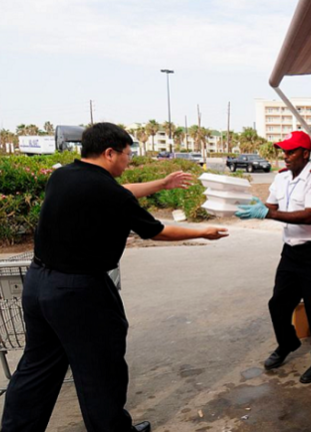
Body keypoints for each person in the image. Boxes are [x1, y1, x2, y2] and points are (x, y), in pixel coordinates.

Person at [1, 123, 229, 432]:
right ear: (110, 153)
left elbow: (114, 192)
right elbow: (156, 231)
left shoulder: (63, 176)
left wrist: (161, 184)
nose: (129, 160)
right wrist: (204, 231)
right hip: (78, 292)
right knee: (99, 369)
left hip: (39, 284)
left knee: (37, 368)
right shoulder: (107, 192)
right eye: (127, 154)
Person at [234, 130, 311, 384]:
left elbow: (309, 215)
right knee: (278, 304)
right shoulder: (281, 178)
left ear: (305, 153)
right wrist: (255, 208)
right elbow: (271, 207)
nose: (286, 156)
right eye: (284, 151)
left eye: (291, 152)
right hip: (291, 251)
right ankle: (287, 343)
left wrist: (267, 215)